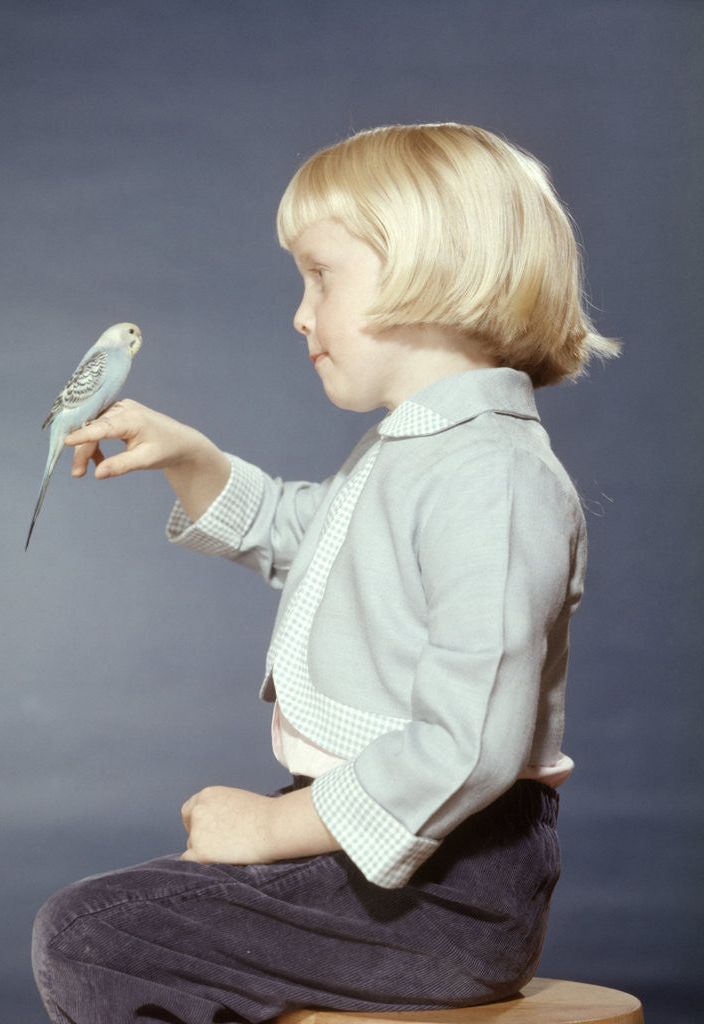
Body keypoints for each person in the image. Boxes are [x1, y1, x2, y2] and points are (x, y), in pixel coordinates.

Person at [31, 123, 618, 1024]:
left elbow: (470, 746)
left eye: (321, 276)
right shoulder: (412, 454)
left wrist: (273, 827)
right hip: (384, 855)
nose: (301, 314)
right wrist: (191, 458)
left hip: (452, 892)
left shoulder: (493, 479)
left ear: (432, 267)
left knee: (90, 933)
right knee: (127, 914)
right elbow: (298, 534)